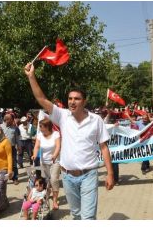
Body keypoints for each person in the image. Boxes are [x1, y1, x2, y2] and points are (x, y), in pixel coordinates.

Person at [24, 62, 114, 220]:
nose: (72, 102)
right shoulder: (62, 116)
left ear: (84, 101)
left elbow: (104, 148)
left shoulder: (96, 120)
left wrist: (110, 174)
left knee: (88, 218)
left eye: (77, 99)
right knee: (77, 215)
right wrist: (31, 77)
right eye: (70, 98)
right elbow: (41, 99)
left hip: (89, 175)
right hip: (67, 176)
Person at [31, 118, 61, 210]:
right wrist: (34, 155)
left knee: (53, 180)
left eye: (41, 126)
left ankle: (55, 201)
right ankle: (45, 197)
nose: (39, 128)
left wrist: (55, 155)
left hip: (55, 162)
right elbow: (36, 147)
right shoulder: (39, 135)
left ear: (47, 127)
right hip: (43, 162)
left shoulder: (56, 134)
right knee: (45, 181)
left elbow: (58, 146)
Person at [1, 113, 20, 185]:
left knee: (14, 164)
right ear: (6, 120)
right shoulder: (0, 126)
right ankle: (3, 179)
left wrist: (19, 146)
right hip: (2, 148)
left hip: (12, 148)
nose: (13, 121)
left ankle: (15, 178)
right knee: (3, 164)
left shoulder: (15, 128)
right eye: (11, 120)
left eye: (12, 119)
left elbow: (17, 139)